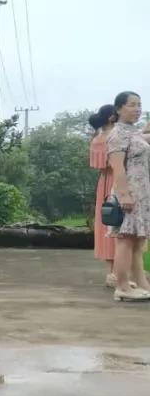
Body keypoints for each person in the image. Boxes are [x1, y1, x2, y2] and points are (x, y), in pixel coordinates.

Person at [105, 91, 150, 302]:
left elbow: (142, 139)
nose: (137, 109)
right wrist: (124, 195)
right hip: (129, 193)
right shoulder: (118, 134)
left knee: (136, 240)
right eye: (132, 105)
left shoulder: (132, 132)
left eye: (139, 105)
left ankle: (141, 284)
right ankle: (122, 285)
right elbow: (118, 168)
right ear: (119, 108)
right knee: (125, 239)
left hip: (140, 193)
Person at [89, 104, 120, 286]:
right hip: (119, 179)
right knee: (121, 224)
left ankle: (112, 273)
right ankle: (122, 273)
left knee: (109, 224)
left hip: (105, 182)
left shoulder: (97, 139)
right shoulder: (115, 136)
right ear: (111, 117)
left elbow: (98, 165)